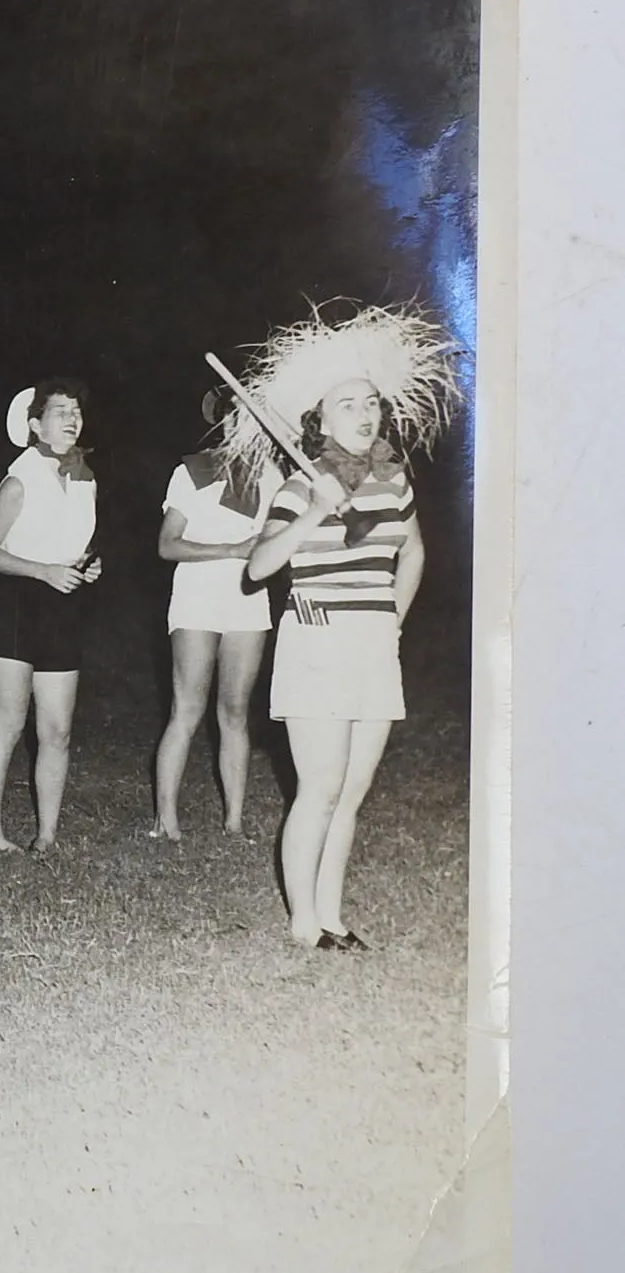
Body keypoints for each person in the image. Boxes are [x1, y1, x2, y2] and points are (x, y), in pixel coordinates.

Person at [234, 305, 460, 949]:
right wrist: (312, 514)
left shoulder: (394, 482)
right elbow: (259, 566)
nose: (366, 415)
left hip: (372, 646)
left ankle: (333, 916)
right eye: (349, 405)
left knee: (354, 791)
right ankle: (304, 922)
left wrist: (394, 617)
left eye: (371, 404)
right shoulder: (299, 486)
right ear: (320, 419)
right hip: (317, 643)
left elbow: (412, 552)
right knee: (322, 787)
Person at [0, 380, 103, 854]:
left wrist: (87, 565)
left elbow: (75, 543)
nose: (72, 419)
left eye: (76, 411)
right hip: (16, 605)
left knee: (57, 730)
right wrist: (43, 571)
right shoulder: (19, 480)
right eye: (59, 411)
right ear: (34, 425)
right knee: (7, 724)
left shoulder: (85, 478)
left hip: (62, 608)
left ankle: (47, 834)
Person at [150, 393, 283, 839]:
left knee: (235, 711)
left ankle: (234, 822)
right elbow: (167, 545)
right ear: (222, 422)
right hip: (197, 596)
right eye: (235, 418)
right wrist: (230, 550)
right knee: (186, 709)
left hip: (249, 598)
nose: (242, 427)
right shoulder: (191, 471)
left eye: (252, 419)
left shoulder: (272, 476)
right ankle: (165, 820)